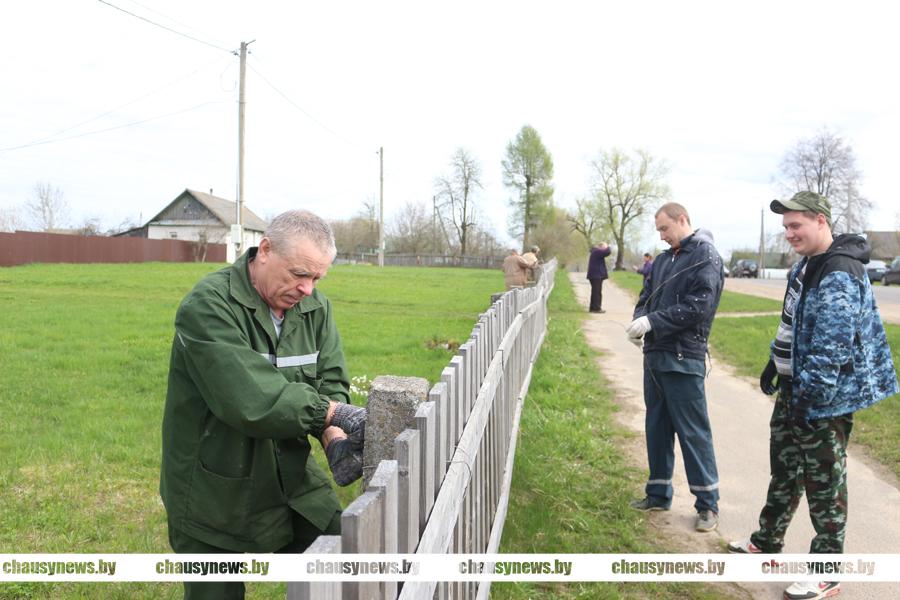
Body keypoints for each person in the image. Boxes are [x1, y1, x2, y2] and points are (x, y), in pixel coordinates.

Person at [160, 209, 367, 600]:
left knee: (347, 562)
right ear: (266, 251)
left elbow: (331, 381)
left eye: (317, 278)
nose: (308, 288)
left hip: (290, 476)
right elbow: (249, 398)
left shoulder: (315, 309)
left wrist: (333, 436)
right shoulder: (208, 306)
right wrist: (332, 414)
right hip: (212, 487)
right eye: (299, 274)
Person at [727, 192, 898, 600]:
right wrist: (775, 362)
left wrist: (809, 398)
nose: (789, 234)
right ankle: (766, 542)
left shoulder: (838, 270)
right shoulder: (806, 265)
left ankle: (826, 572)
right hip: (795, 388)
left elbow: (833, 345)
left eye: (795, 226)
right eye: (785, 227)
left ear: (821, 221)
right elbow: (792, 322)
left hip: (823, 398)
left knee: (825, 484)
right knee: (785, 470)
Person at [626, 202, 724, 533]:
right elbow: (646, 296)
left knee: (693, 432)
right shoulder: (664, 260)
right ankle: (657, 493)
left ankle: (708, 504)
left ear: (683, 220)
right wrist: (639, 320)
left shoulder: (706, 257)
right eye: (659, 231)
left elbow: (698, 307)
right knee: (656, 426)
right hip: (654, 356)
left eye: (665, 229)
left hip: (684, 358)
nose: (662, 236)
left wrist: (652, 322)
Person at [586, 241, 611, 313]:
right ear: (601, 247)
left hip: (595, 275)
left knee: (595, 292)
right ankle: (596, 308)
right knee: (597, 292)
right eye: (604, 247)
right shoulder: (597, 251)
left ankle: (593, 308)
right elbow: (608, 252)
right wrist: (607, 246)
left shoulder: (595, 252)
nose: (605, 249)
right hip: (596, 275)